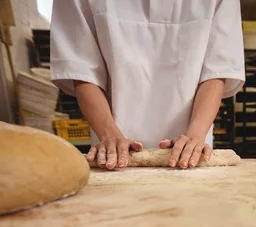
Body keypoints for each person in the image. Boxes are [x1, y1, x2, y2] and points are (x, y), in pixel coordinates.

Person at [50, 0, 245, 169]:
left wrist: (195, 133)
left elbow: (216, 70)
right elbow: (82, 69)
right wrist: (109, 134)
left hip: (192, 145)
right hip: (112, 148)